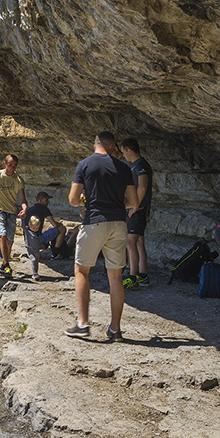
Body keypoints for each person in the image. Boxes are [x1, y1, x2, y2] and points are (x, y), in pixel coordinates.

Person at [66, 132, 138, 341]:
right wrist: (115, 204)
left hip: (95, 221)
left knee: (81, 270)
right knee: (116, 276)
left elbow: (72, 199)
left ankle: (83, 324)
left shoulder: (85, 165)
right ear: (112, 145)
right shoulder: (124, 168)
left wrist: (83, 201)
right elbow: (133, 201)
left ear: (96, 144)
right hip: (118, 223)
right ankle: (115, 329)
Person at [0, 154, 28, 277]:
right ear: (4, 163)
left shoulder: (18, 180)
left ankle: (4, 264)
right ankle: (7, 265)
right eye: (10, 165)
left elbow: (23, 199)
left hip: (11, 211)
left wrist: (24, 209)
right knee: (3, 234)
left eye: (14, 166)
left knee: (9, 241)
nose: (12, 168)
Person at [119, 138, 152, 288]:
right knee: (139, 242)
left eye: (124, 151)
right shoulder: (136, 165)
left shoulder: (141, 165)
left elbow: (143, 187)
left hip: (137, 210)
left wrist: (134, 206)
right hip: (139, 210)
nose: (123, 155)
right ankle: (143, 275)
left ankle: (132, 276)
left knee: (130, 243)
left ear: (130, 150)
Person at [22, 191, 67, 280]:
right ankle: (55, 252)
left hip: (29, 239)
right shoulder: (43, 208)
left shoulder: (31, 209)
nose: (48, 202)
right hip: (38, 239)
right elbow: (54, 224)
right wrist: (59, 224)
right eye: (46, 200)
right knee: (62, 229)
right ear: (41, 200)